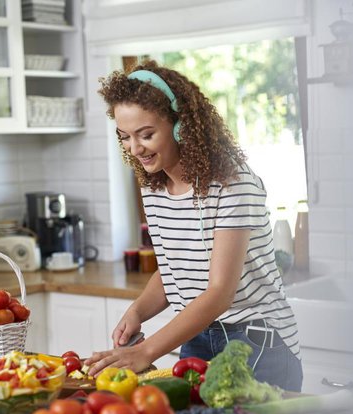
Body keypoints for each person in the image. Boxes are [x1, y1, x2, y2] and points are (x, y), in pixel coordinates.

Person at [85, 60, 303, 392]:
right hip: (196, 334)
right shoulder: (154, 186)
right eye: (125, 136)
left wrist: (146, 351)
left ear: (181, 126)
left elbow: (219, 293)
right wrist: (138, 310)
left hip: (257, 340)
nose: (135, 148)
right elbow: (175, 268)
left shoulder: (233, 183)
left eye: (146, 134)